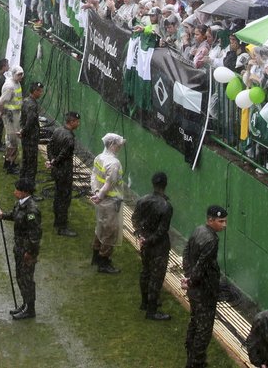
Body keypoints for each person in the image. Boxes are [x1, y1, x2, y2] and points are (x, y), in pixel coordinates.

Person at [182, 205, 228, 368]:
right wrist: (191, 280)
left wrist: (188, 277)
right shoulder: (212, 240)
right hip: (204, 292)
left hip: (195, 290)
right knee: (204, 329)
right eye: (221, 221)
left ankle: (191, 356)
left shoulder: (198, 230)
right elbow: (201, 266)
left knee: (194, 322)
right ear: (210, 220)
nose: (224, 225)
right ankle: (196, 362)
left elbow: (186, 253)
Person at [0, 178, 42, 320]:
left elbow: (35, 235)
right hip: (19, 248)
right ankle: (25, 304)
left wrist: (30, 253)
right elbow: (15, 215)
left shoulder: (31, 210)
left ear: (24, 192)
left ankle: (30, 309)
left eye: (17, 189)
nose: (14, 192)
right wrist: (3, 215)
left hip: (27, 251)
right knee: (20, 277)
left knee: (27, 279)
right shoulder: (21, 204)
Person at [134, 171, 173, 321]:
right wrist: (149, 239)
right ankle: (151, 311)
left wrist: (141, 235)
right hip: (159, 247)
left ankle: (145, 303)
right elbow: (162, 230)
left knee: (145, 272)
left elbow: (135, 218)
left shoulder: (143, 200)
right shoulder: (166, 206)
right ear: (165, 184)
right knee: (156, 277)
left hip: (145, 244)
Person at [90, 132, 125, 274]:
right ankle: (104, 262)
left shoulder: (99, 157)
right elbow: (109, 184)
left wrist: (96, 193)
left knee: (100, 228)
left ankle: (95, 256)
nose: (119, 147)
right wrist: (101, 195)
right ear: (112, 144)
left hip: (101, 201)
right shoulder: (114, 163)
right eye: (118, 145)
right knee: (110, 231)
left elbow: (94, 176)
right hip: (110, 202)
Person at [47, 111, 81, 237]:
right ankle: (62, 227)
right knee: (64, 200)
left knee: (57, 196)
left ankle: (57, 221)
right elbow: (64, 154)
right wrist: (55, 161)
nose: (78, 124)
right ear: (71, 122)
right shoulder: (69, 138)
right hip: (64, 172)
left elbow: (49, 146)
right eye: (77, 121)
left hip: (56, 171)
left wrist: (51, 160)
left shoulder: (57, 131)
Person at [0, 65, 25, 174]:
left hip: (15, 114)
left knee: (12, 139)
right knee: (13, 140)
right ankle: (10, 164)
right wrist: (2, 112)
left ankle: (9, 162)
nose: (21, 77)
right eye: (19, 74)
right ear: (14, 74)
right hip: (11, 116)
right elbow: (1, 103)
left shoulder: (16, 83)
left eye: (21, 74)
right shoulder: (10, 86)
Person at [20, 82, 44, 184]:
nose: (41, 94)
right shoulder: (32, 105)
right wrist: (24, 131)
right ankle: (29, 189)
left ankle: (22, 184)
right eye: (40, 91)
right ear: (35, 91)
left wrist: (22, 131)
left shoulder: (26, 101)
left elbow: (23, 119)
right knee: (31, 164)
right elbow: (29, 121)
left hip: (26, 137)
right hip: (31, 138)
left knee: (25, 161)